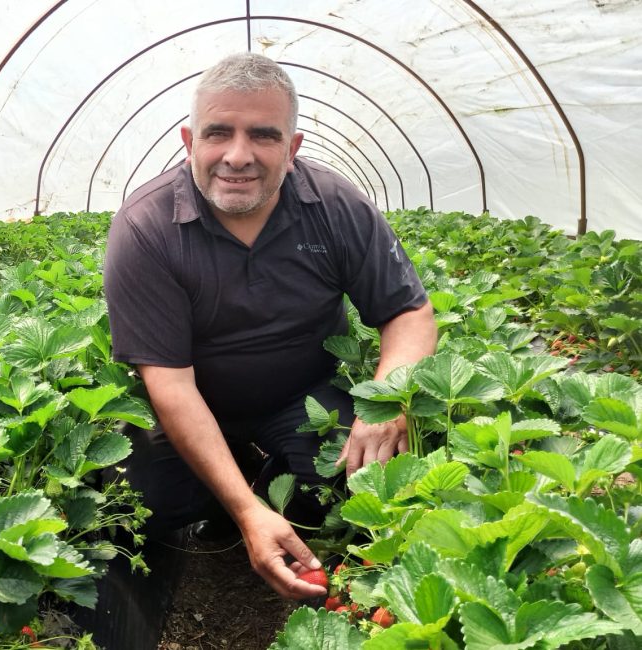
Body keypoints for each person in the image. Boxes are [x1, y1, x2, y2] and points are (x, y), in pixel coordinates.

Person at [102, 53, 437, 600]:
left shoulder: (334, 206)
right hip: (198, 405)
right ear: (190, 143)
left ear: (292, 148)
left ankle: (278, 483)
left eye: (262, 135)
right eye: (218, 133)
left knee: (355, 486)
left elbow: (408, 313)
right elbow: (172, 387)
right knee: (134, 509)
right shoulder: (147, 227)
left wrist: (387, 401)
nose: (238, 155)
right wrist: (244, 510)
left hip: (305, 397)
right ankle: (233, 484)